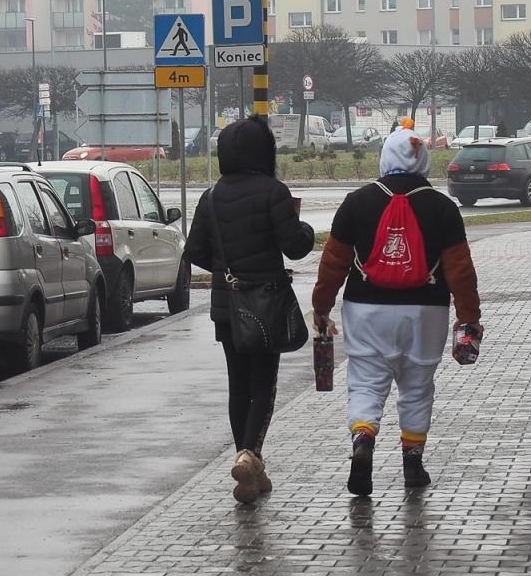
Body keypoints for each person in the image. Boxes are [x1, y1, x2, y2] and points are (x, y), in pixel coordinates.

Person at [311, 120, 482, 497]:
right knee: (418, 387)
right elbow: (460, 271)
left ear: (385, 157)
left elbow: (333, 263)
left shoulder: (357, 202)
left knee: (367, 382)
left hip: (366, 309)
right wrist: (469, 318)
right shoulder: (442, 208)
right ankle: (413, 463)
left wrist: (321, 309)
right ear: (423, 161)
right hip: (426, 312)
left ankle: (363, 441)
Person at [184, 116, 315, 505]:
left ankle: (250, 467)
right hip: (266, 303)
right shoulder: (274, 192)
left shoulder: (211, 196)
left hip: (227, 304)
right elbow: (295, 246)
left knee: (237, 385)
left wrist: (228, 272)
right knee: (264, 386)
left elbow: (195, 251)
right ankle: (250, 455)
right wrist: (304, 227)